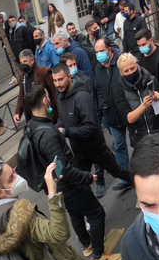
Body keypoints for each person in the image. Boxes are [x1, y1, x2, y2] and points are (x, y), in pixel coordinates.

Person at [21, 85, 122, 260]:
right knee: (97, 213)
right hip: (69, 186)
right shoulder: (48, 134)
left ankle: (86, 244)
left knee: (74, 212)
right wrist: (86, 177)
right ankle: (99, 255)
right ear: (45, 101)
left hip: (57, 186)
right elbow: (64, 169)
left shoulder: (32, 126)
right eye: (47, 96)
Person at [52, 61, 132, 206]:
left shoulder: (82, 97)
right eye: (55, 80)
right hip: (79, 151)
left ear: (69, 76)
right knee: (81, 185)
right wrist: (55, 128)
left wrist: (66, 131)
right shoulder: (60, 96)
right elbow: (64, 120)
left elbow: (91, 127)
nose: (57, 84)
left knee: (119, 172)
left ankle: (143, 188)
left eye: (60, 79)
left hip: (96, 149)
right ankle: (92, 214)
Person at [93, 38, 131, 187]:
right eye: (96, 52)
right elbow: (99, 89)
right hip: (111, 115)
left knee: (138, 143)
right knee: (119, 146)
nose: (98, 55)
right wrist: (102, 105)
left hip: (128, 111)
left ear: (109, 50)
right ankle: (125, 178)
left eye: (101, 51)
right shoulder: (98, 68)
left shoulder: (122, 62)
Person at [114, 53, 159, 148]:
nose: (131, 72)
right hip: (141, 140)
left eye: (132, 68)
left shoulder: (151, 80)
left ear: (137, 66)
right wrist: (144, 106)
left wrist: (158, 99)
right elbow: (129, 118)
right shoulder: (119, 90)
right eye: (126, 71)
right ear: (121, 73)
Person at [15, 50, 59, 125]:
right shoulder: (22, 77)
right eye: (21, 62)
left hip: (47, 116)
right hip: (32, 117)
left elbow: (55, 93)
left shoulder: (44, 72)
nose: (23, 64)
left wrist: (59, 114)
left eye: (25, 61)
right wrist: (18, 112)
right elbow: (21, 96)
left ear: (32, 60)